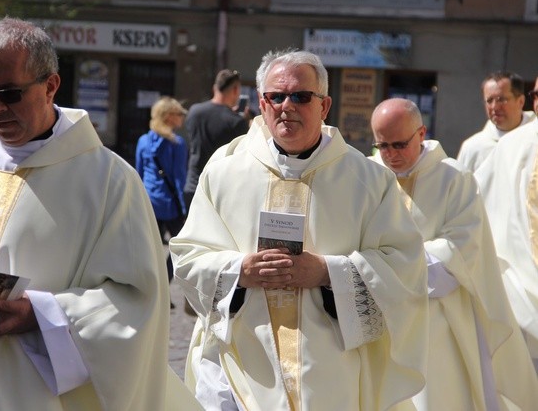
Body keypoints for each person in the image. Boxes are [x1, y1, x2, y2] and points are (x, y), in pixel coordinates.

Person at [0, 17, 200, 410]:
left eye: (10, 93)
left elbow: (135, 299)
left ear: (51, 85)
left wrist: (43, 313)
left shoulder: (109, 181)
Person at [171, 49, 429, 410]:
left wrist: (327, 272)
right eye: (276, 96)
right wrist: (239, 271)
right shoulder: (225, 172)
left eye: (301, 96)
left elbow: (404, 265)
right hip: (243, 365)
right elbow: (188, 257)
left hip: (331, 370)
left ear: (324, 106)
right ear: (262, 104)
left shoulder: (368, 180)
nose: (286, 105)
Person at [370, 98, 538, 410]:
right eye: (382, 146)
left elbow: (460, 252)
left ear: (421, 134)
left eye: (398, 144)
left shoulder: (454, 179)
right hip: (383, 319)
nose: (390, 155)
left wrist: (388, 268)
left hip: (439, 320)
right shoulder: (370, 178)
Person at [475, 76, 538, 372]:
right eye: (537, 93)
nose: (495, 107)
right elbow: (471, 208)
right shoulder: (507, 147)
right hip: (519, 292)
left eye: (502, 99)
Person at [135, 96, 188, 285]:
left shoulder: (143, 141)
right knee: (182, 248)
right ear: (168, 117)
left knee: (150, 251)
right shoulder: (177, 144)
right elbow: (179, 178)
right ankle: (163, 284)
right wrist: (184, 209)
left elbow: (138, 175)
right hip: (170, 204)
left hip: (149, 202)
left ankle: (148, 288)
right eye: (179, 113)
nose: (183, 117)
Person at [183, 69, 249, 210]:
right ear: (236, 90)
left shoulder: (194, 111)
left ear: (215, 88)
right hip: (220, 190)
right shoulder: (236, 122)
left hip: (193, 185)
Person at [457, 71, 534, 172]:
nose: (494, 107)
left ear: (521, 101)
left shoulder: (534, 137)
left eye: (501, 99)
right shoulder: (473, 147)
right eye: (489, 100)